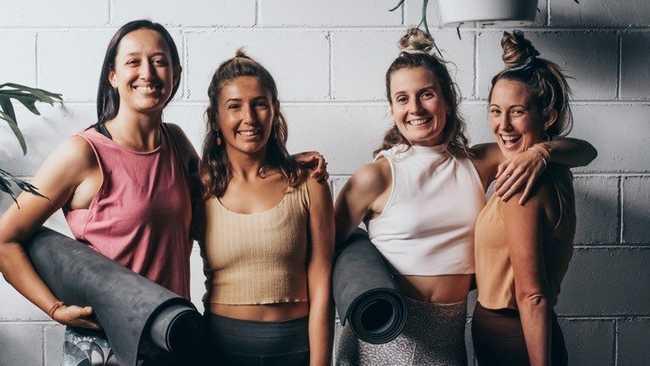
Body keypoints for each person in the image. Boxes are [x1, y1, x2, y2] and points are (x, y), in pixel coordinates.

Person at [0, 20, 325, 366]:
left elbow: (230, 192)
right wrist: (54, 308)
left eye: (159, 61)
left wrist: (282, 163)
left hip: (171, 337)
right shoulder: (83, 153)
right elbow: (6, 239)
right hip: (106, 340)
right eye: (133, 62)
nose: (148, 73)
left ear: (175, 73)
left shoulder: (177, 144)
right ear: (112, 75)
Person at [333, 28, 596, 366]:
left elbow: (586, 152)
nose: (415, 108)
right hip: (389, 333)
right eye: (402, 98)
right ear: (391, 107)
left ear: (447, 99)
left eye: (426, 94)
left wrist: (541, 152)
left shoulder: (479, 162)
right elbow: (323, 248)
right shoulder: (377, 175)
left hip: (450, 337)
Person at [199, 50, 334, 366]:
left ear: (274, 111)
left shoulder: (309, 182)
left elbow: (322, 284)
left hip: (296, 346)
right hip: (219, 347)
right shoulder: (200, 187)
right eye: (234, 106)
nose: (249, 117)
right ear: (217, 119)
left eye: (260, 103)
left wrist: (321, 363)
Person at [472, 31, 578, 366]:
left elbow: (532, 295)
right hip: (523, 335)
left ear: (547, 116)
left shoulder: (521, 182)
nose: (503, 125)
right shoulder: (553, 167)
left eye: (516, 112)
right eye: (494, 111)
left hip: (512, 337)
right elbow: (585, 150)